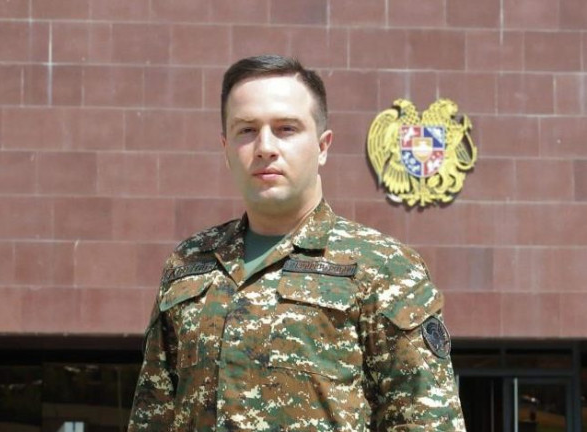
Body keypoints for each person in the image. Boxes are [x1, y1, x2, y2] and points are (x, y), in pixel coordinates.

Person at [128, 54, 466, 431]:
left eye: (286, 128)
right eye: (246, 130)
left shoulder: (382, 267)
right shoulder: (189, 263)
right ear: (225, 148)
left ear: (323, 146)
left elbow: (427, 421)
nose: (265, 147)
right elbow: (152, 416)